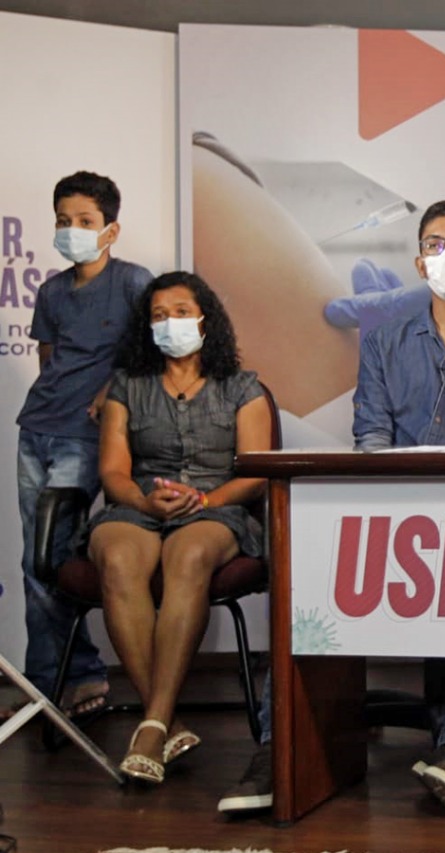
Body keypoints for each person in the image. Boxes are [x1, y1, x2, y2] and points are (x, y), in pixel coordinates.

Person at [218, 200, 445, 816]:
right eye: (436, 245)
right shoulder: (387, 342)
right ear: (420, 264)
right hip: (391, 509)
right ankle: (279, 748)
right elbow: (371, 434)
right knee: (306, 580)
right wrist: (394, 497)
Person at [85, 271, 273, 784]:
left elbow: (255, 474)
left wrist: (205, 499)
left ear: (205, 320)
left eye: (182, 312)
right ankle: (164, 721)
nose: (171, 323)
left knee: (187, 555)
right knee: (117, 556)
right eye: (159, 315)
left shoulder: (243, 387)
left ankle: (152, 725)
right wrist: (144, 501)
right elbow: (113, 473)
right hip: (140, 504)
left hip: (217, 507)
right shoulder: (127, 386)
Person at [7, 172, 151, 724]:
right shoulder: (51, 292)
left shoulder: (133, 282)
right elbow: (49, 358)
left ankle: (67, 679)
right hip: (36, 427)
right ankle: (54, 680)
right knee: (36, 559)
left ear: (111, 229)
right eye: (63, 221)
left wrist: (110, 391)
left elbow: (146, 354)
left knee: (53, 554)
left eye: (85, 221)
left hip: (86, 438)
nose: (73, 230)